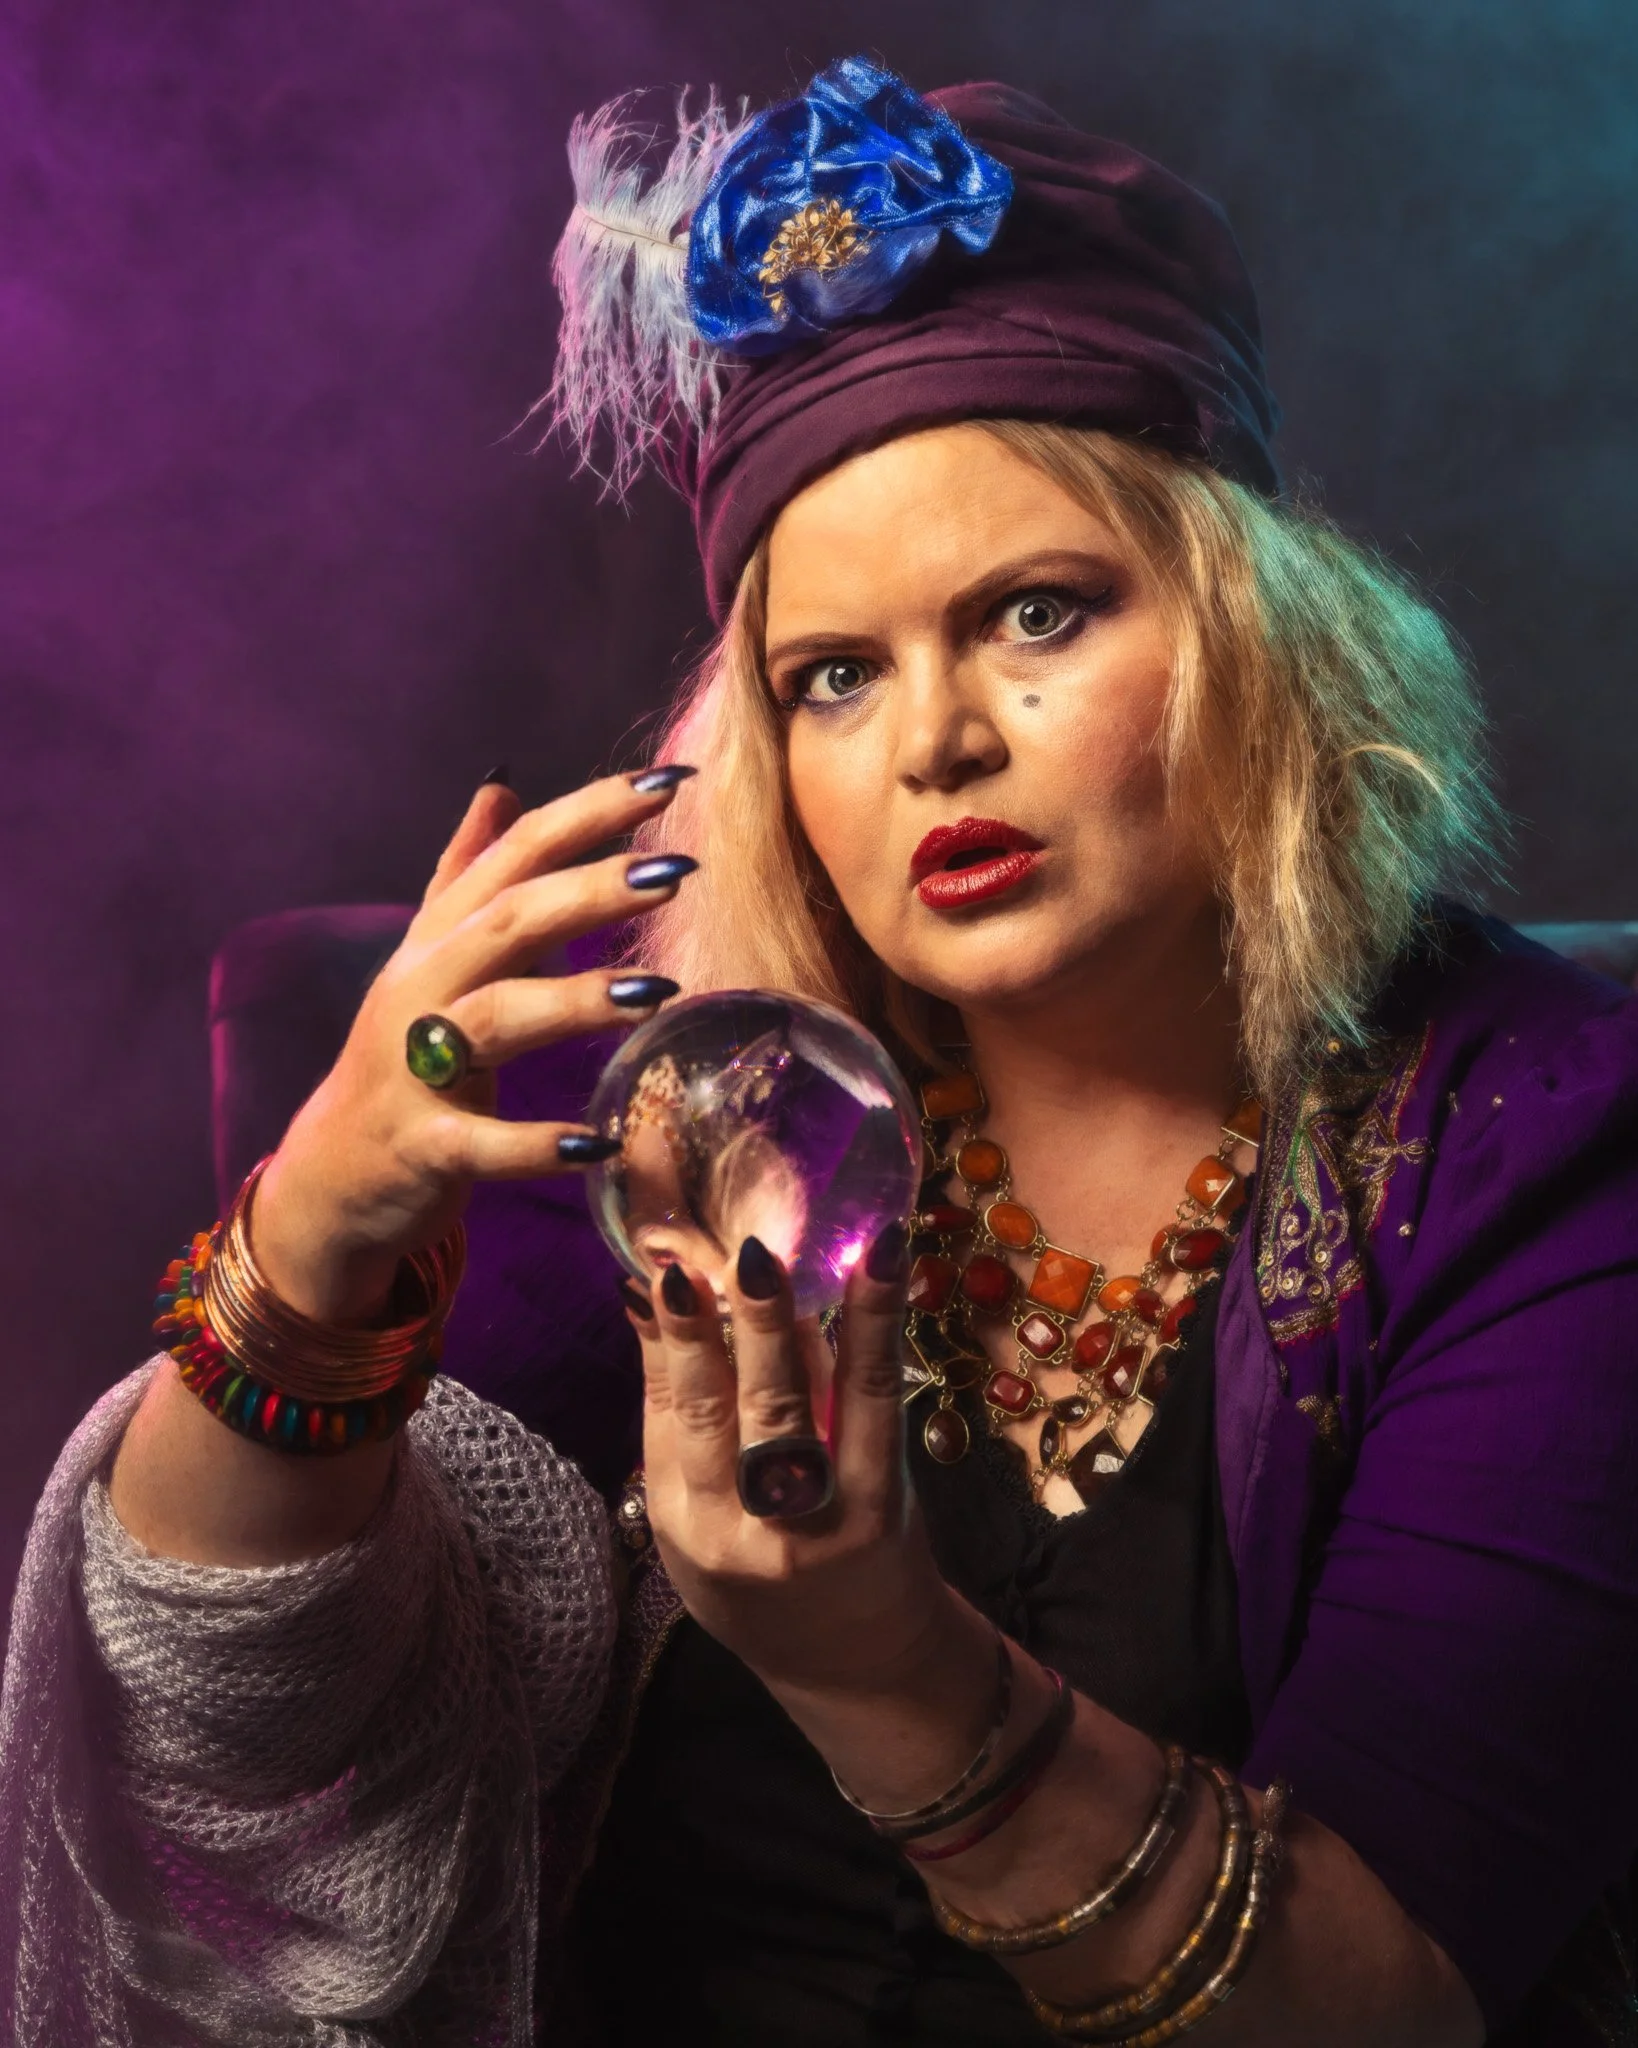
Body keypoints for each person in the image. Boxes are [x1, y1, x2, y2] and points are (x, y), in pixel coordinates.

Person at [3, 53, 1636, 2048]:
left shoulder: (1542, 1135)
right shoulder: (668, 1097)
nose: (935, 738)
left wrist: (882, 1660)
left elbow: (1379, 2002)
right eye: (836, 675)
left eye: (1036, 616)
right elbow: (228, 1732)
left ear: (1257, 633)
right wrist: (319, 1230)